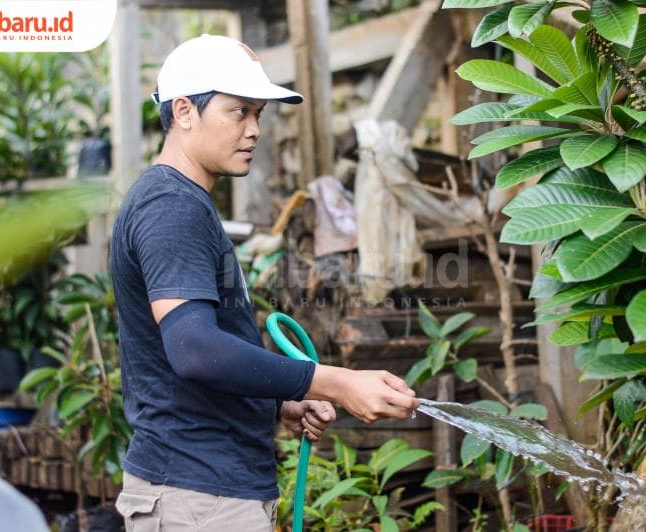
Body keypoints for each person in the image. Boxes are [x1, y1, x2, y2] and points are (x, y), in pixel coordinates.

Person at [110, 34, 419, 532]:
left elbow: (194, 357)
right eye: (238, 112)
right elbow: (193, 349)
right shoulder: (171, 206)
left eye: (258, 114)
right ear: (184, 111)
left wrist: (276, 402)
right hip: (198, 497)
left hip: (207, 492)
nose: (254, 129)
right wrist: (337, 382)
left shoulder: (180, 200)